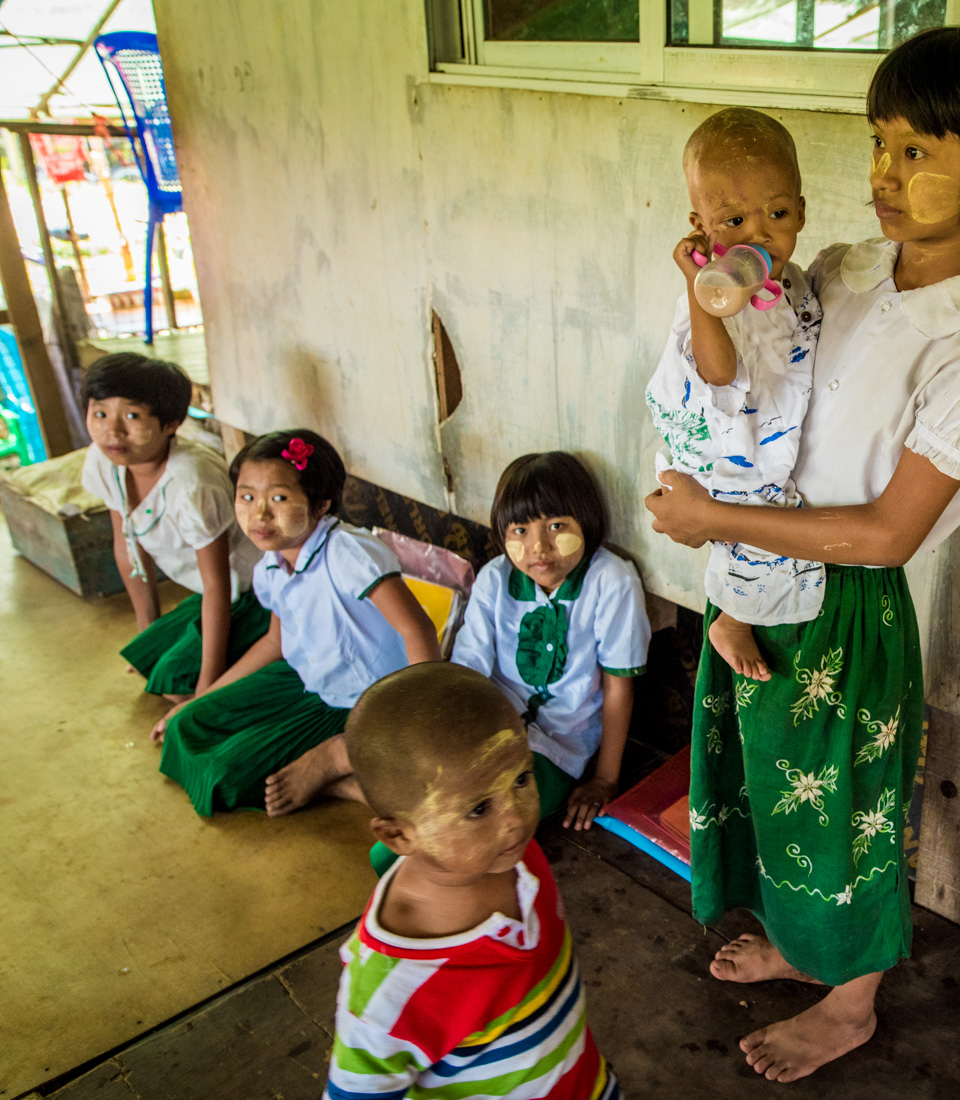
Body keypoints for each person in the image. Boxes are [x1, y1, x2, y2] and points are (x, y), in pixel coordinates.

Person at [646, 25, 960, 1082]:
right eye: (880, 141)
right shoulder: (845, 268)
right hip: (754, 572)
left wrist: (715, 526)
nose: (883, 172)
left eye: (920, 150)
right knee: (770, 783)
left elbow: (886, 530)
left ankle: (851, 998)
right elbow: (746, 402)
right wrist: (707, 269)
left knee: (842, 807)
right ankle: (799, 944)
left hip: (847, 598)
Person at [326, 662, 621, 1100]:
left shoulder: (516, 862)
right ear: (398, 835)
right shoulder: (389, 990)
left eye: (522, 779)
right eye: (478, 809)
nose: (515, 819)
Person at [366, 451, 649, 875]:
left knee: (461, 841)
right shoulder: (495, 578)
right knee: (406, 837)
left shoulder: (612, 581)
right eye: (520, 530)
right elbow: (467, 676)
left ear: (587, 523)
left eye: (557, 526)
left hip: (556, 749)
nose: (539, 547)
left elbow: (618, 686)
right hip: (484, 730)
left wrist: (605, 779)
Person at [153, 429, 440, 815]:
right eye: (247, 497)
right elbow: (274, 643)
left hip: (364, 703)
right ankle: (352, 782)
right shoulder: (271, 563)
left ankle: (334, 764)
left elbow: (416, 628)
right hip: (305, 682)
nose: (259, 513)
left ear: (321, 504)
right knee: (185, 726)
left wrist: (417, 720)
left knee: (225, 774)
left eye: (279, 498)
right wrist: (199, 698)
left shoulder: (347, 552)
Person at [645, 106, 823, 682]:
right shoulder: (710, 293)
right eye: (733, 221)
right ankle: (731, 619)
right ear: (700, 227)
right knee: (746, 514)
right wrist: (700, 294)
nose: (758, 234)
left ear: (801, 209)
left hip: (765, 423)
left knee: (773, 515)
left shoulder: (793, 282)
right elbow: (717, 373)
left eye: (777, 213)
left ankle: (748, 610)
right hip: (721, 432)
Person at [79, 353, 265, 701]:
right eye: (100, 413)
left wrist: (206, 685)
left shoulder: (192, 482)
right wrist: (147, 632)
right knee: (150, 662)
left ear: (171, 423)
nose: (113, 431)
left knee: (176, 688)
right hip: (210, 593)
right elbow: (127, 546)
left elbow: (218, 582)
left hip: (254, 594)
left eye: (132, 416)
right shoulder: (105, 462)